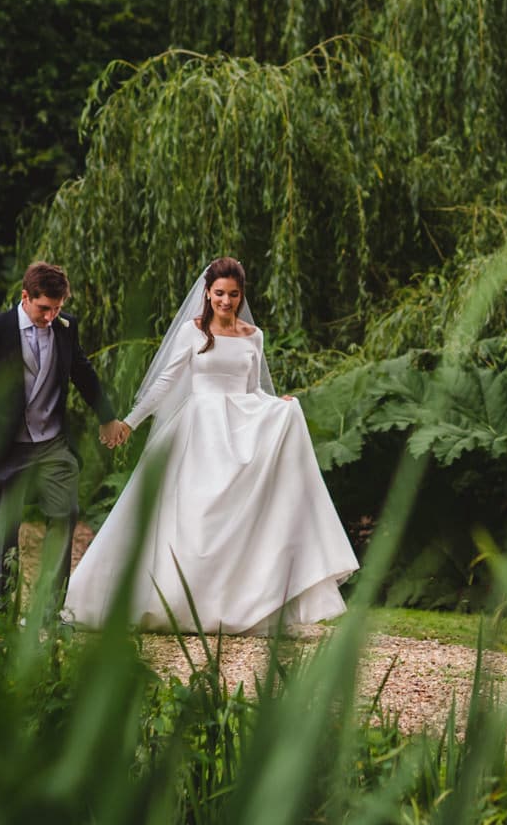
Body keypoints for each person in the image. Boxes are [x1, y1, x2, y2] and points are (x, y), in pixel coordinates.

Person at [65, 256, 360, 634]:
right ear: (207, 293)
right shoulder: (192, 332)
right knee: (190, 516)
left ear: (241, 295)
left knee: (239, 513)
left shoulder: (254, 335)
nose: (226, 301)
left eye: (233, 295)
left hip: (241, 428)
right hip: (198, 431)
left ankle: (234, 605)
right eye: (219, 293)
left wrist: (277, 406)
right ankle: (169, 602)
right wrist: (129, 422)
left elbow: (254, 389)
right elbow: (165, 383)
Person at [0, 261, 118, 611]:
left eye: (57, 309)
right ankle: (1, 616)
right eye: (44, 308)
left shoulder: (65, 326)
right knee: (5, 532)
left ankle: (50, 611)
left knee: (64, 515)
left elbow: (82, 372)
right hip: (8, 447)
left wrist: (107, 417)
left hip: (53, 444)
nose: (50, 316)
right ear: (25, 296)